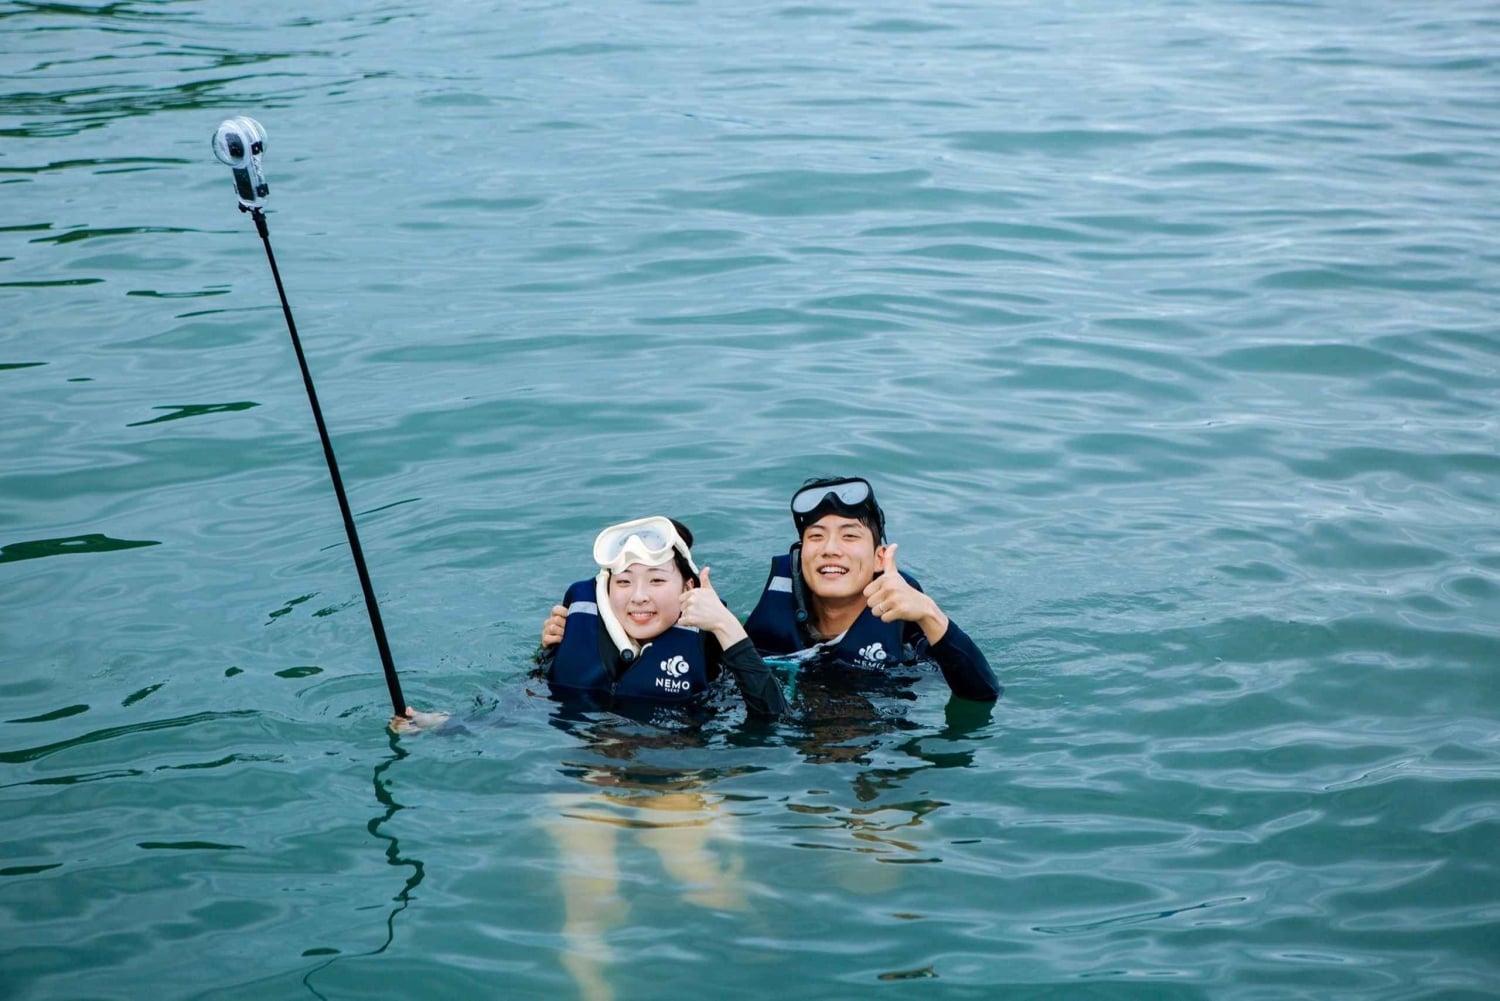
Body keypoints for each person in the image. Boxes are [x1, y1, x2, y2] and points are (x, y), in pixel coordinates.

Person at [742, 476, 1001, 702]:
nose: (830, 549)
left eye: (850, 536)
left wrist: (930, 613)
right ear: (800, 555)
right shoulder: (767, 625)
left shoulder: (908, 639)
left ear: (880, 558)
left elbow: (983, 694)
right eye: (816, 536)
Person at [537, 515, 786, 717]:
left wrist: (725, 626)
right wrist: (545, 653)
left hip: (677, 763)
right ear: (606, 589)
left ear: (689, 587)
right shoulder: (576, 627)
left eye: (656, 580)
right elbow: (528, 698)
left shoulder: (710, 642)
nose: (639, 596)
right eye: (624, 582)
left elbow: (773, 715)